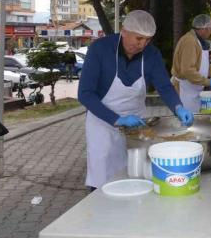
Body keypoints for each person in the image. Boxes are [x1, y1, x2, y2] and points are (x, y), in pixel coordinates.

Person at [78, 10, 193, 189]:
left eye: (148, 40)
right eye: (139, 38)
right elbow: (85, 94)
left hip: (136, 123)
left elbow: (164, 86)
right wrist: (116, 119)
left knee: (136, 172)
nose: (142, 44)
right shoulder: (100, 49)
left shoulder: (151, 54)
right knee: (102, 176)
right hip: (103, 122)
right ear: (124, 31)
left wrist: (178, 107)